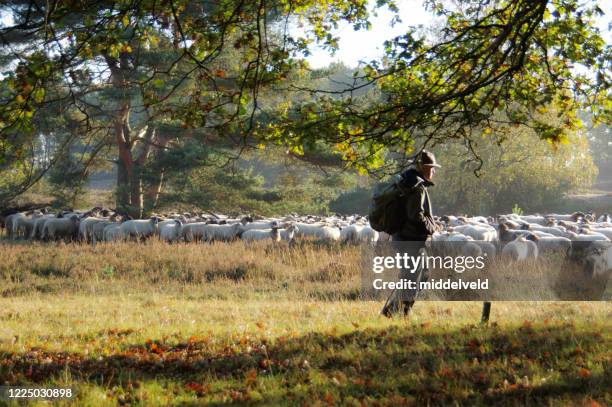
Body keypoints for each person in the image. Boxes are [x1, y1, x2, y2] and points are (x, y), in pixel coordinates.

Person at [381, 150, 441, 317]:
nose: (433, 171)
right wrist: (432, 227)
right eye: (431, 167)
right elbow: (415, 215)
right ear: (422, 167)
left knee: (421, 275)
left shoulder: (407, 183)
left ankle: (395, 311)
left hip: (403, 238)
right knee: (412, 279)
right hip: (411, 240)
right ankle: (396, 313)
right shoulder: (416, 187)